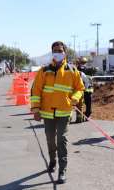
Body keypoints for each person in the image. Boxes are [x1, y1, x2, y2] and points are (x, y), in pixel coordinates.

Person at [30, 41, 85, 184]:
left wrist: (75, 98)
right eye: (55, 50)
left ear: (64, 52)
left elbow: (80, 88)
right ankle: (52, 161)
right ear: (52, 52)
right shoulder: (44, 70)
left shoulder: (72, 70)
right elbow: (36, 91)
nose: (58, 53)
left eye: (60, 50)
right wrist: (36, 109)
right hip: (47, 113)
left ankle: (62, 170)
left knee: (62, 139)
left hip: (64, 111)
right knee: (50, 139)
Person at [75, 57, 93, 123]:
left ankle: (80, 118)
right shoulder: (89, 69)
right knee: (86, 105)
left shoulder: (77, 69)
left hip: (82, 90)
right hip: (87, 89)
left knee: (80, 105)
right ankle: (85, 116)